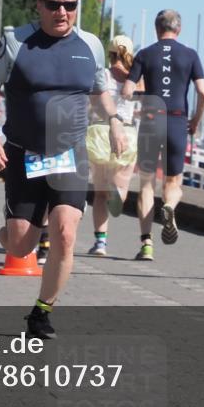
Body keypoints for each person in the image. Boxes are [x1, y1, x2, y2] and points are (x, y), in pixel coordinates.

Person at [0, 0, 126, 339]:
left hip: (70, 154)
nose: (62, 11)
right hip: (23, 154)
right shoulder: (15, 42)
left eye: (70, 5)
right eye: (54, 4)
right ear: (39, 5)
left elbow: (100, 92)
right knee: (20, 244)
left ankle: (42, 312)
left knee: (65, 233)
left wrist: (115, 120)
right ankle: (16, 231)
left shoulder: (90, 45)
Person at [122, 9, 204, 261]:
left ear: (156, 28)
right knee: (173, 183)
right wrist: (195, 120)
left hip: (151, 120)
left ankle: (146, 244)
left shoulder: (145, 54)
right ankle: (169, 206)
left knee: (147, 183)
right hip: (177, 121)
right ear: (178, 29)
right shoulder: (190, 55)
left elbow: (127, 92)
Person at [85, 35, 140, 257]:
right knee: (120, 187)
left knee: (98, 194)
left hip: (100, 132)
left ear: (109, 53)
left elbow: (92, 102)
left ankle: (100, 243)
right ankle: (118, 194)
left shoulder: (102, 75)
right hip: (125, 132)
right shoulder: (134, 79)